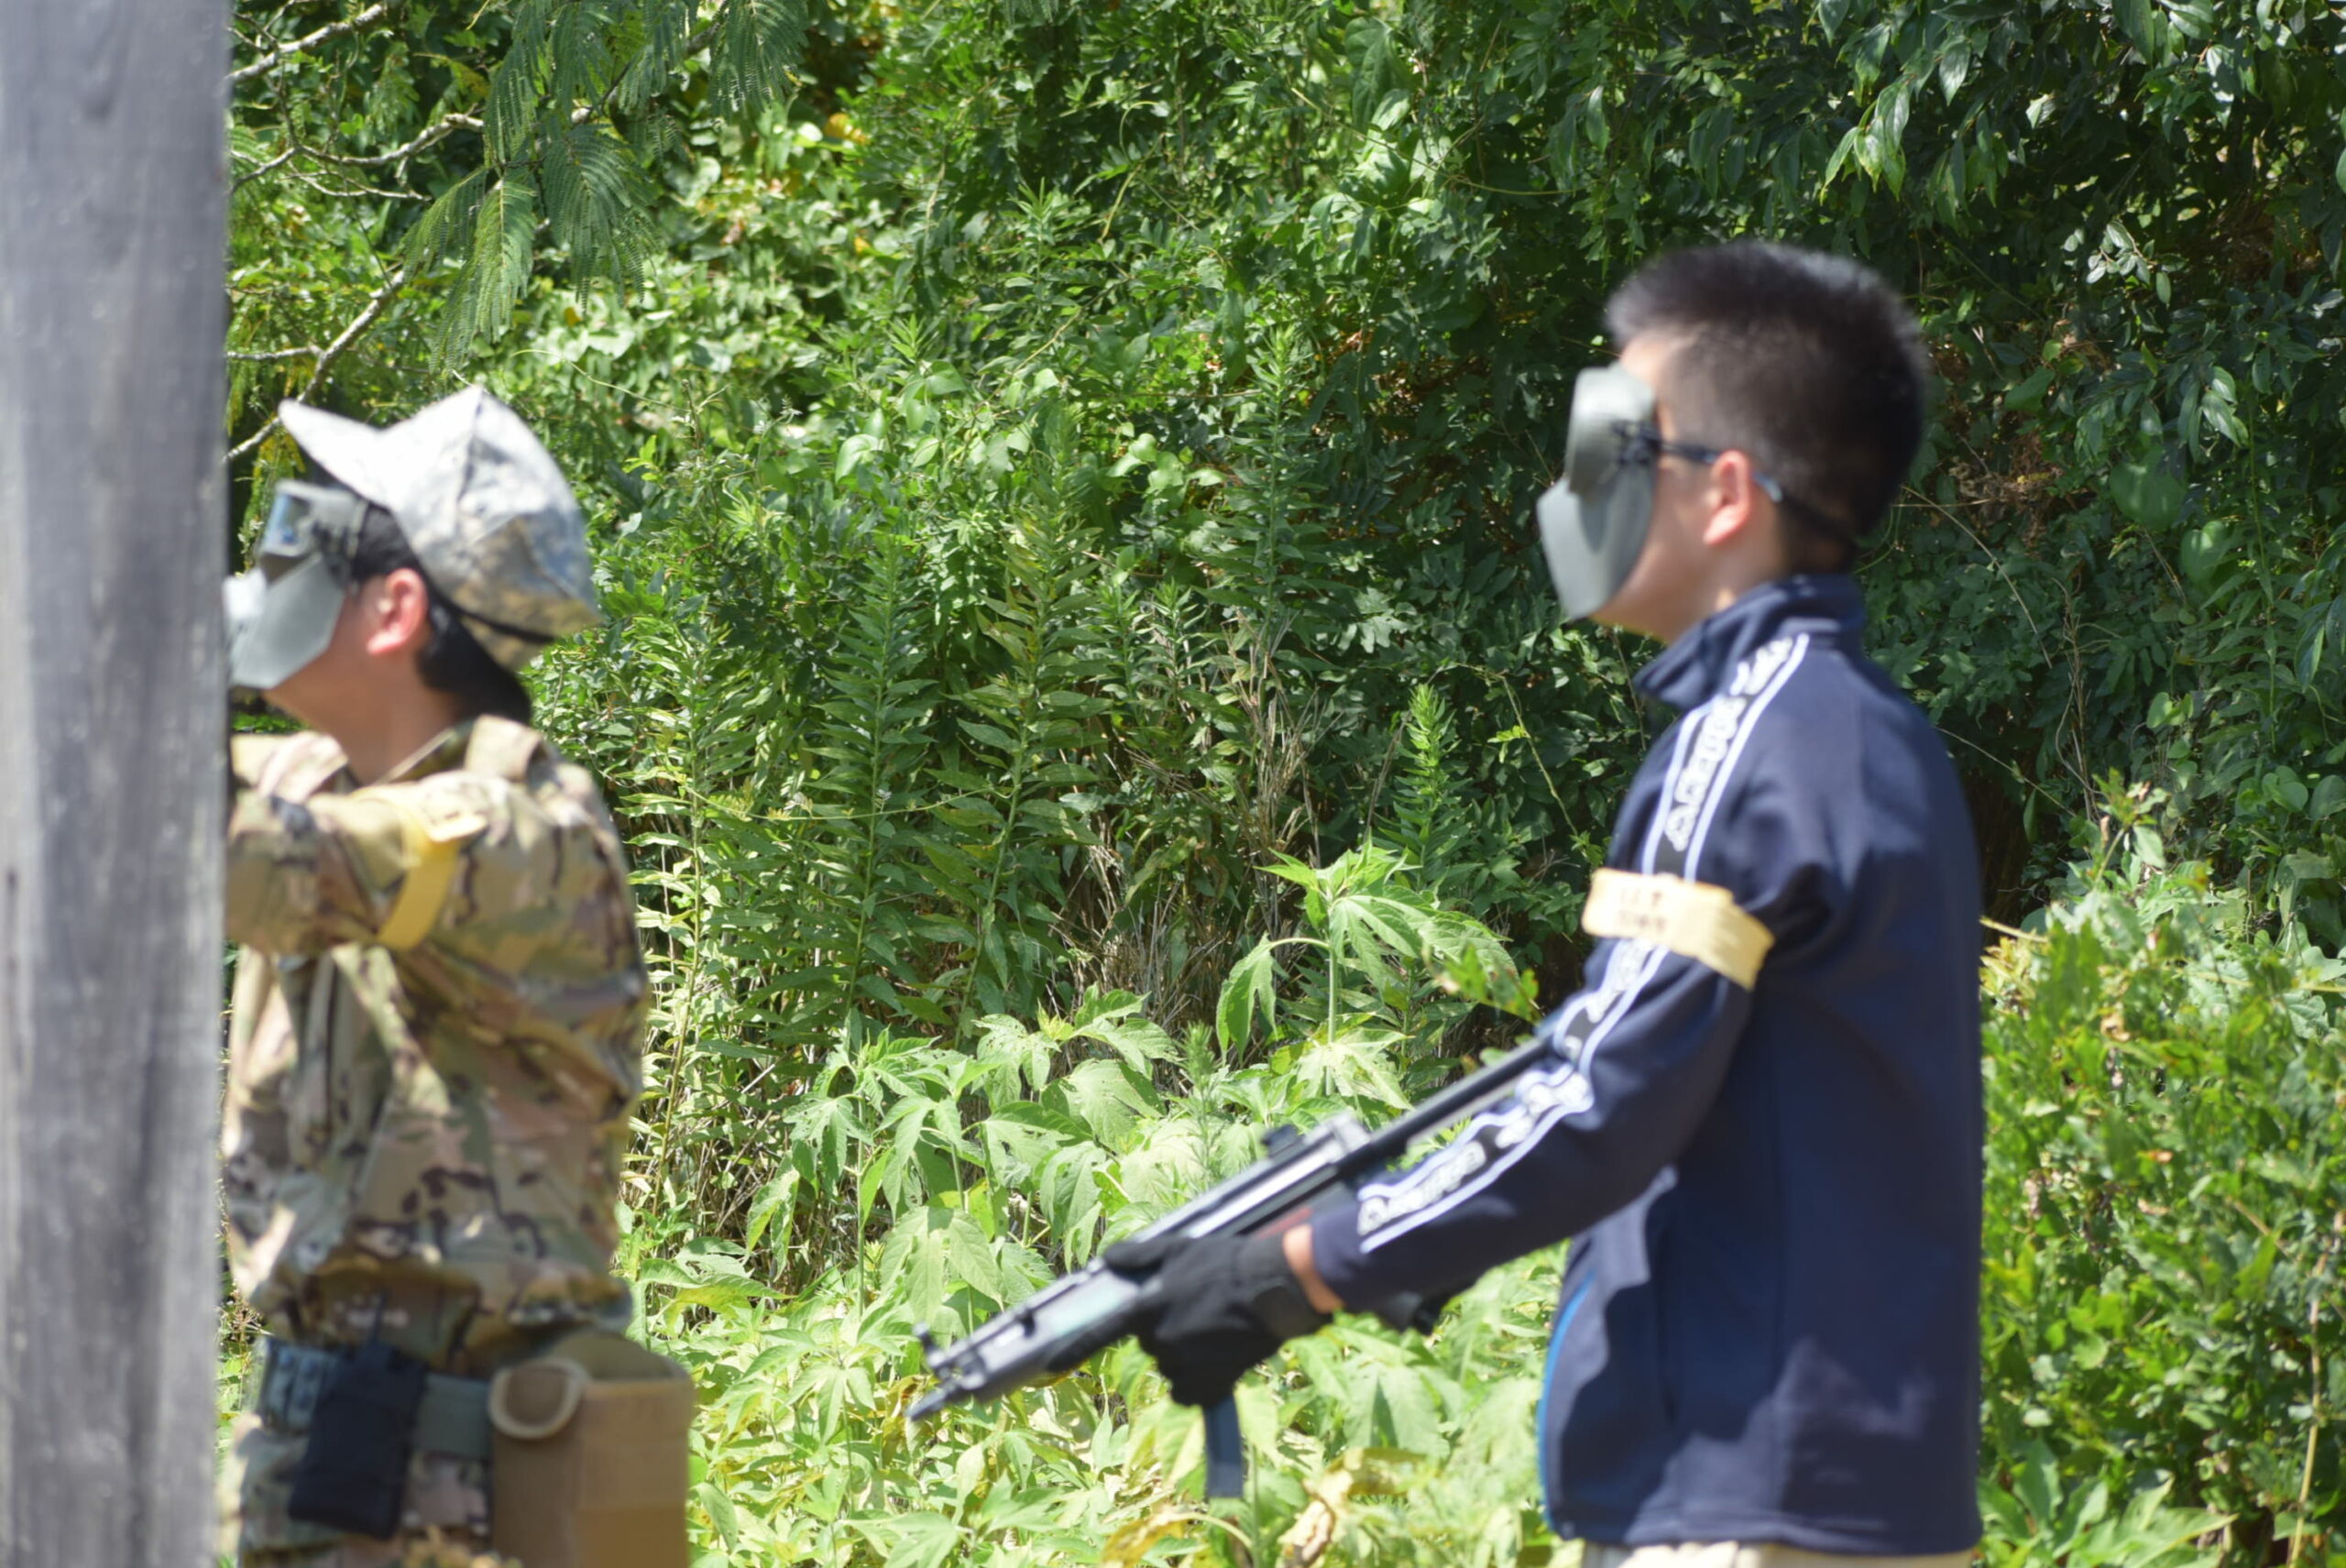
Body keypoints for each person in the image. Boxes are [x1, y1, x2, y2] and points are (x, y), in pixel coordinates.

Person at [1113, 242, 1983, 1567]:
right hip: (1868, 1492)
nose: (1573, 491)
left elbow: (1600, 1099)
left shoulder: (1741, 745)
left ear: (1726, 493)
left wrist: (1295, 1265)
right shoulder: (1874, 737)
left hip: (1740, 1496)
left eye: (1612, 446)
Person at [218, 388, 664, 1567]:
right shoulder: (320, 777)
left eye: (301, 537)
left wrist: (146, 648)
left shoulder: (517, 830)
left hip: (461, 1505)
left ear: (397, 607)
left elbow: (234, 855)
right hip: (328, 1469)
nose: (268, 566)